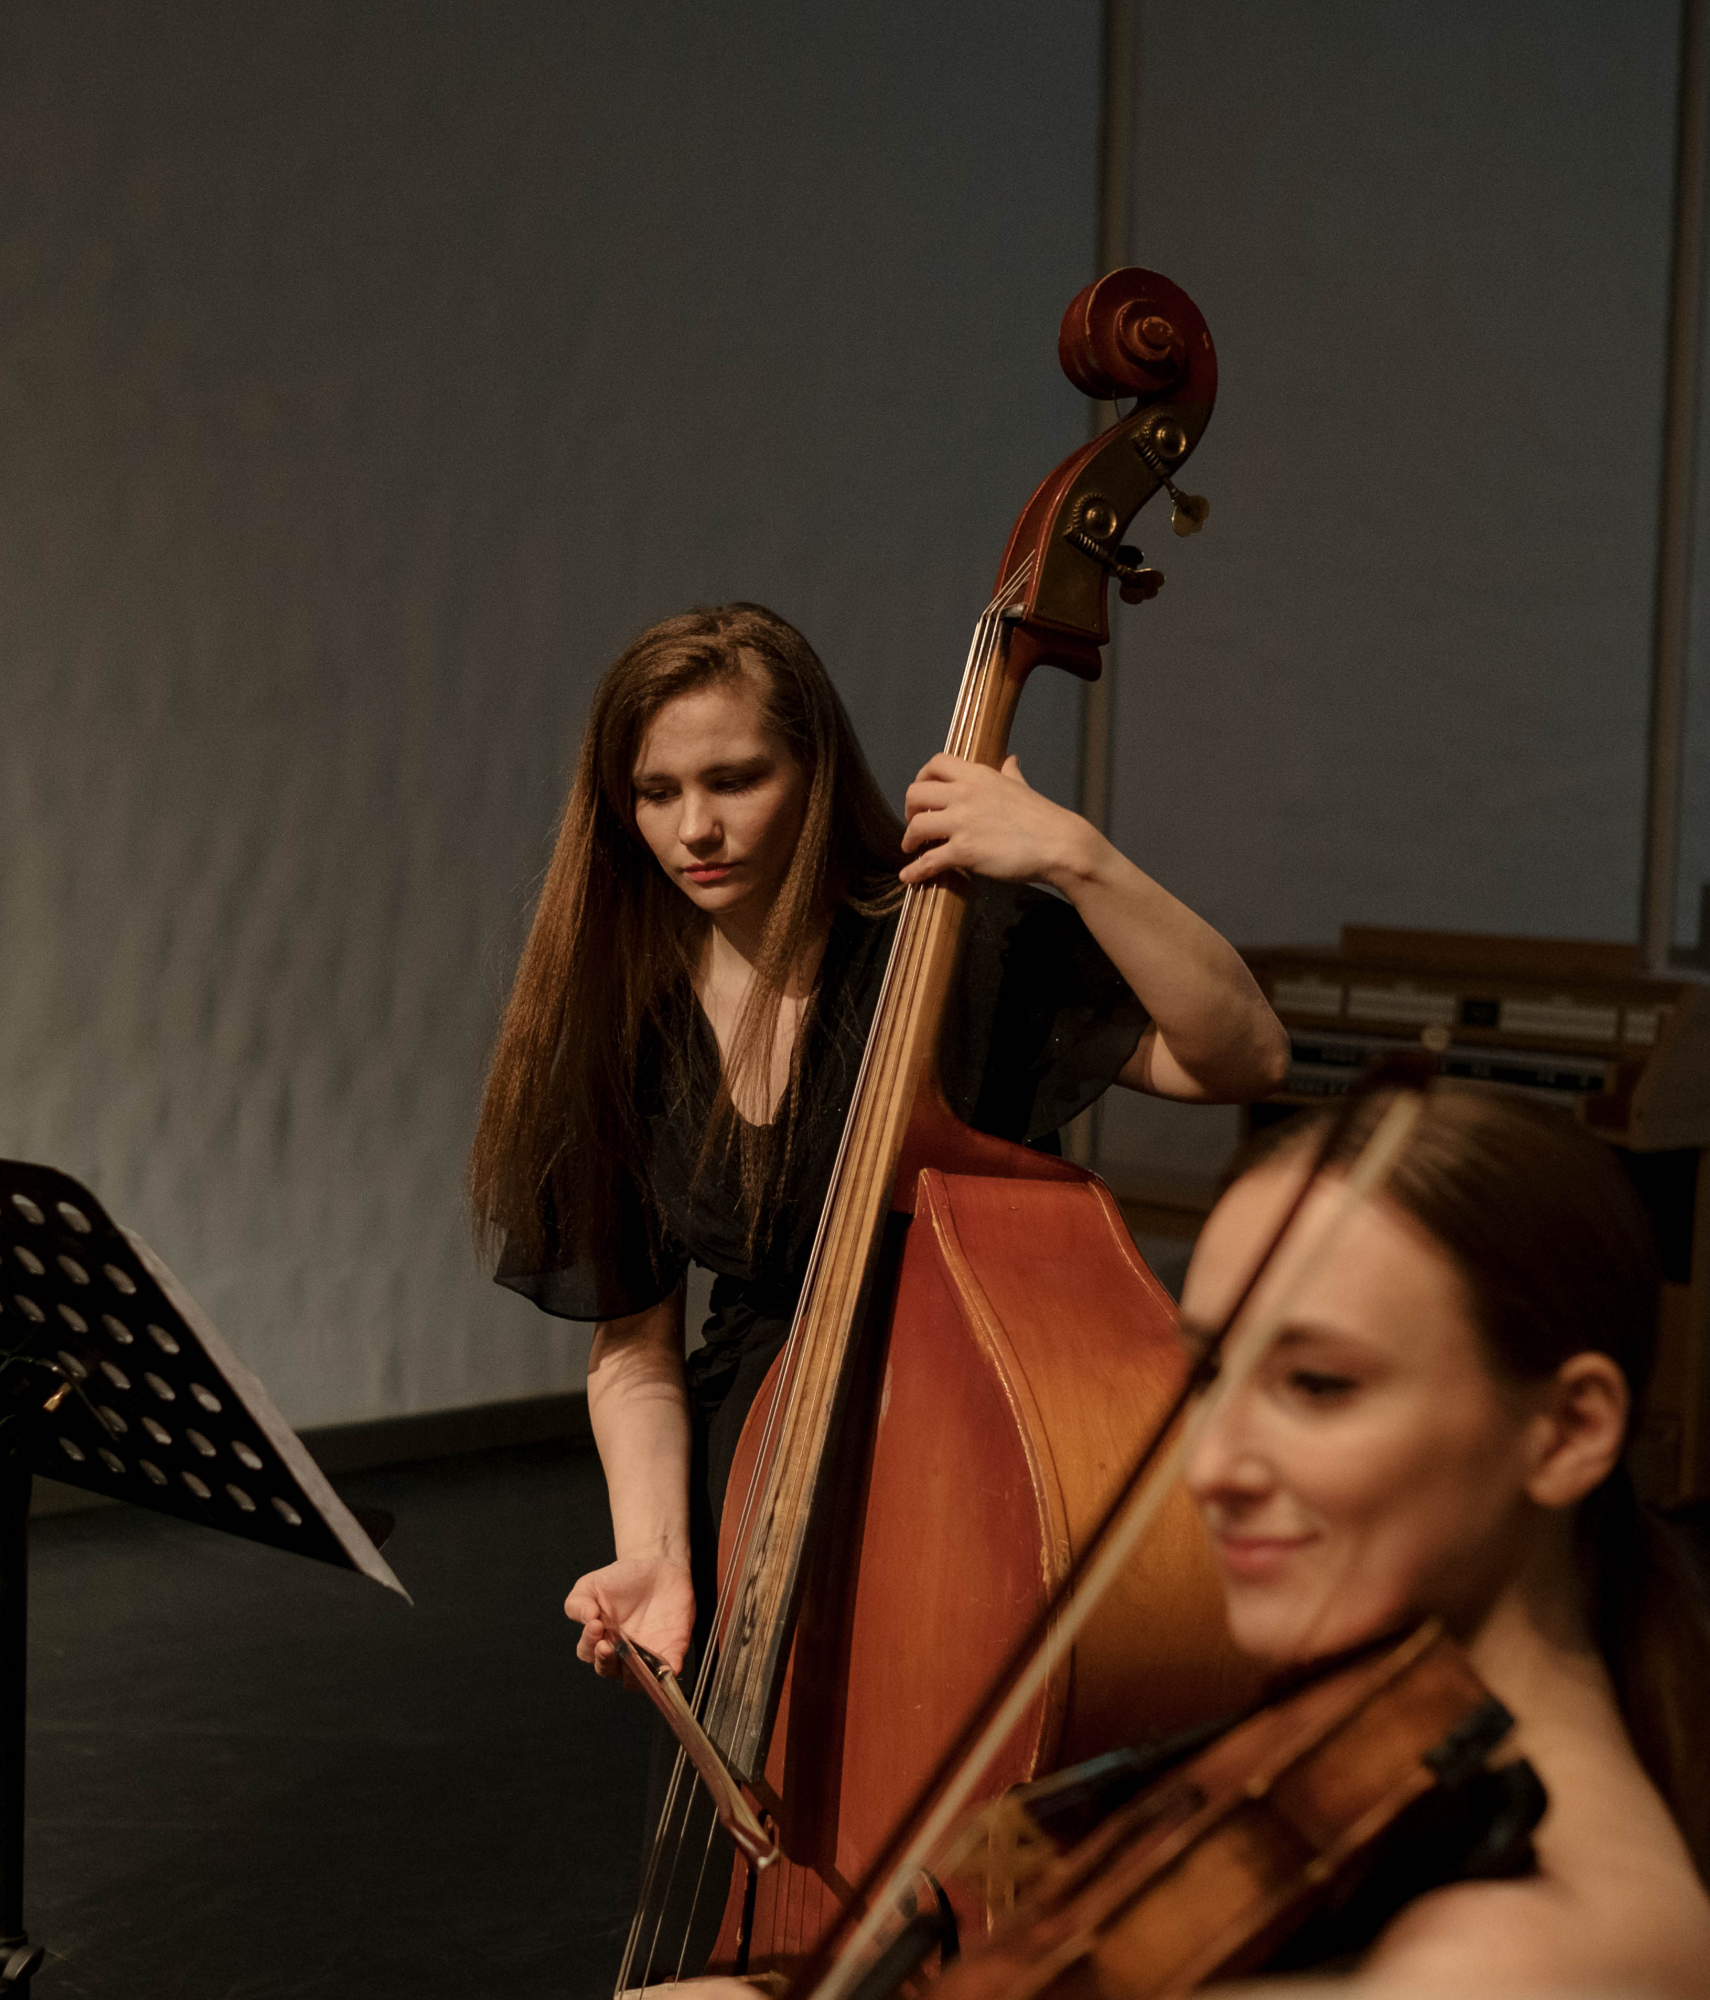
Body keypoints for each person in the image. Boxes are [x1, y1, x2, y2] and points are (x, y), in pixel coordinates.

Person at [647, 1081, 1710, 1998]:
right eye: (1208, 1373)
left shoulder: (1527, 1961)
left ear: (1568, 1429)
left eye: (1319, 1383)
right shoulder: (1374, 1760)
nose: (1214, 1465)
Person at [466, 602, 1288, 1684]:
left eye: (736, 779)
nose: (694, 830)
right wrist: (655, 1555)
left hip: (973, 1441)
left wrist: (1079, 859)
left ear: (813, 771)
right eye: (657, 793)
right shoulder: (628, 1018)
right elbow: (634, 1350)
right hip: (756, 1459)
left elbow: (1238, 1057)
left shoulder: (947, 940)